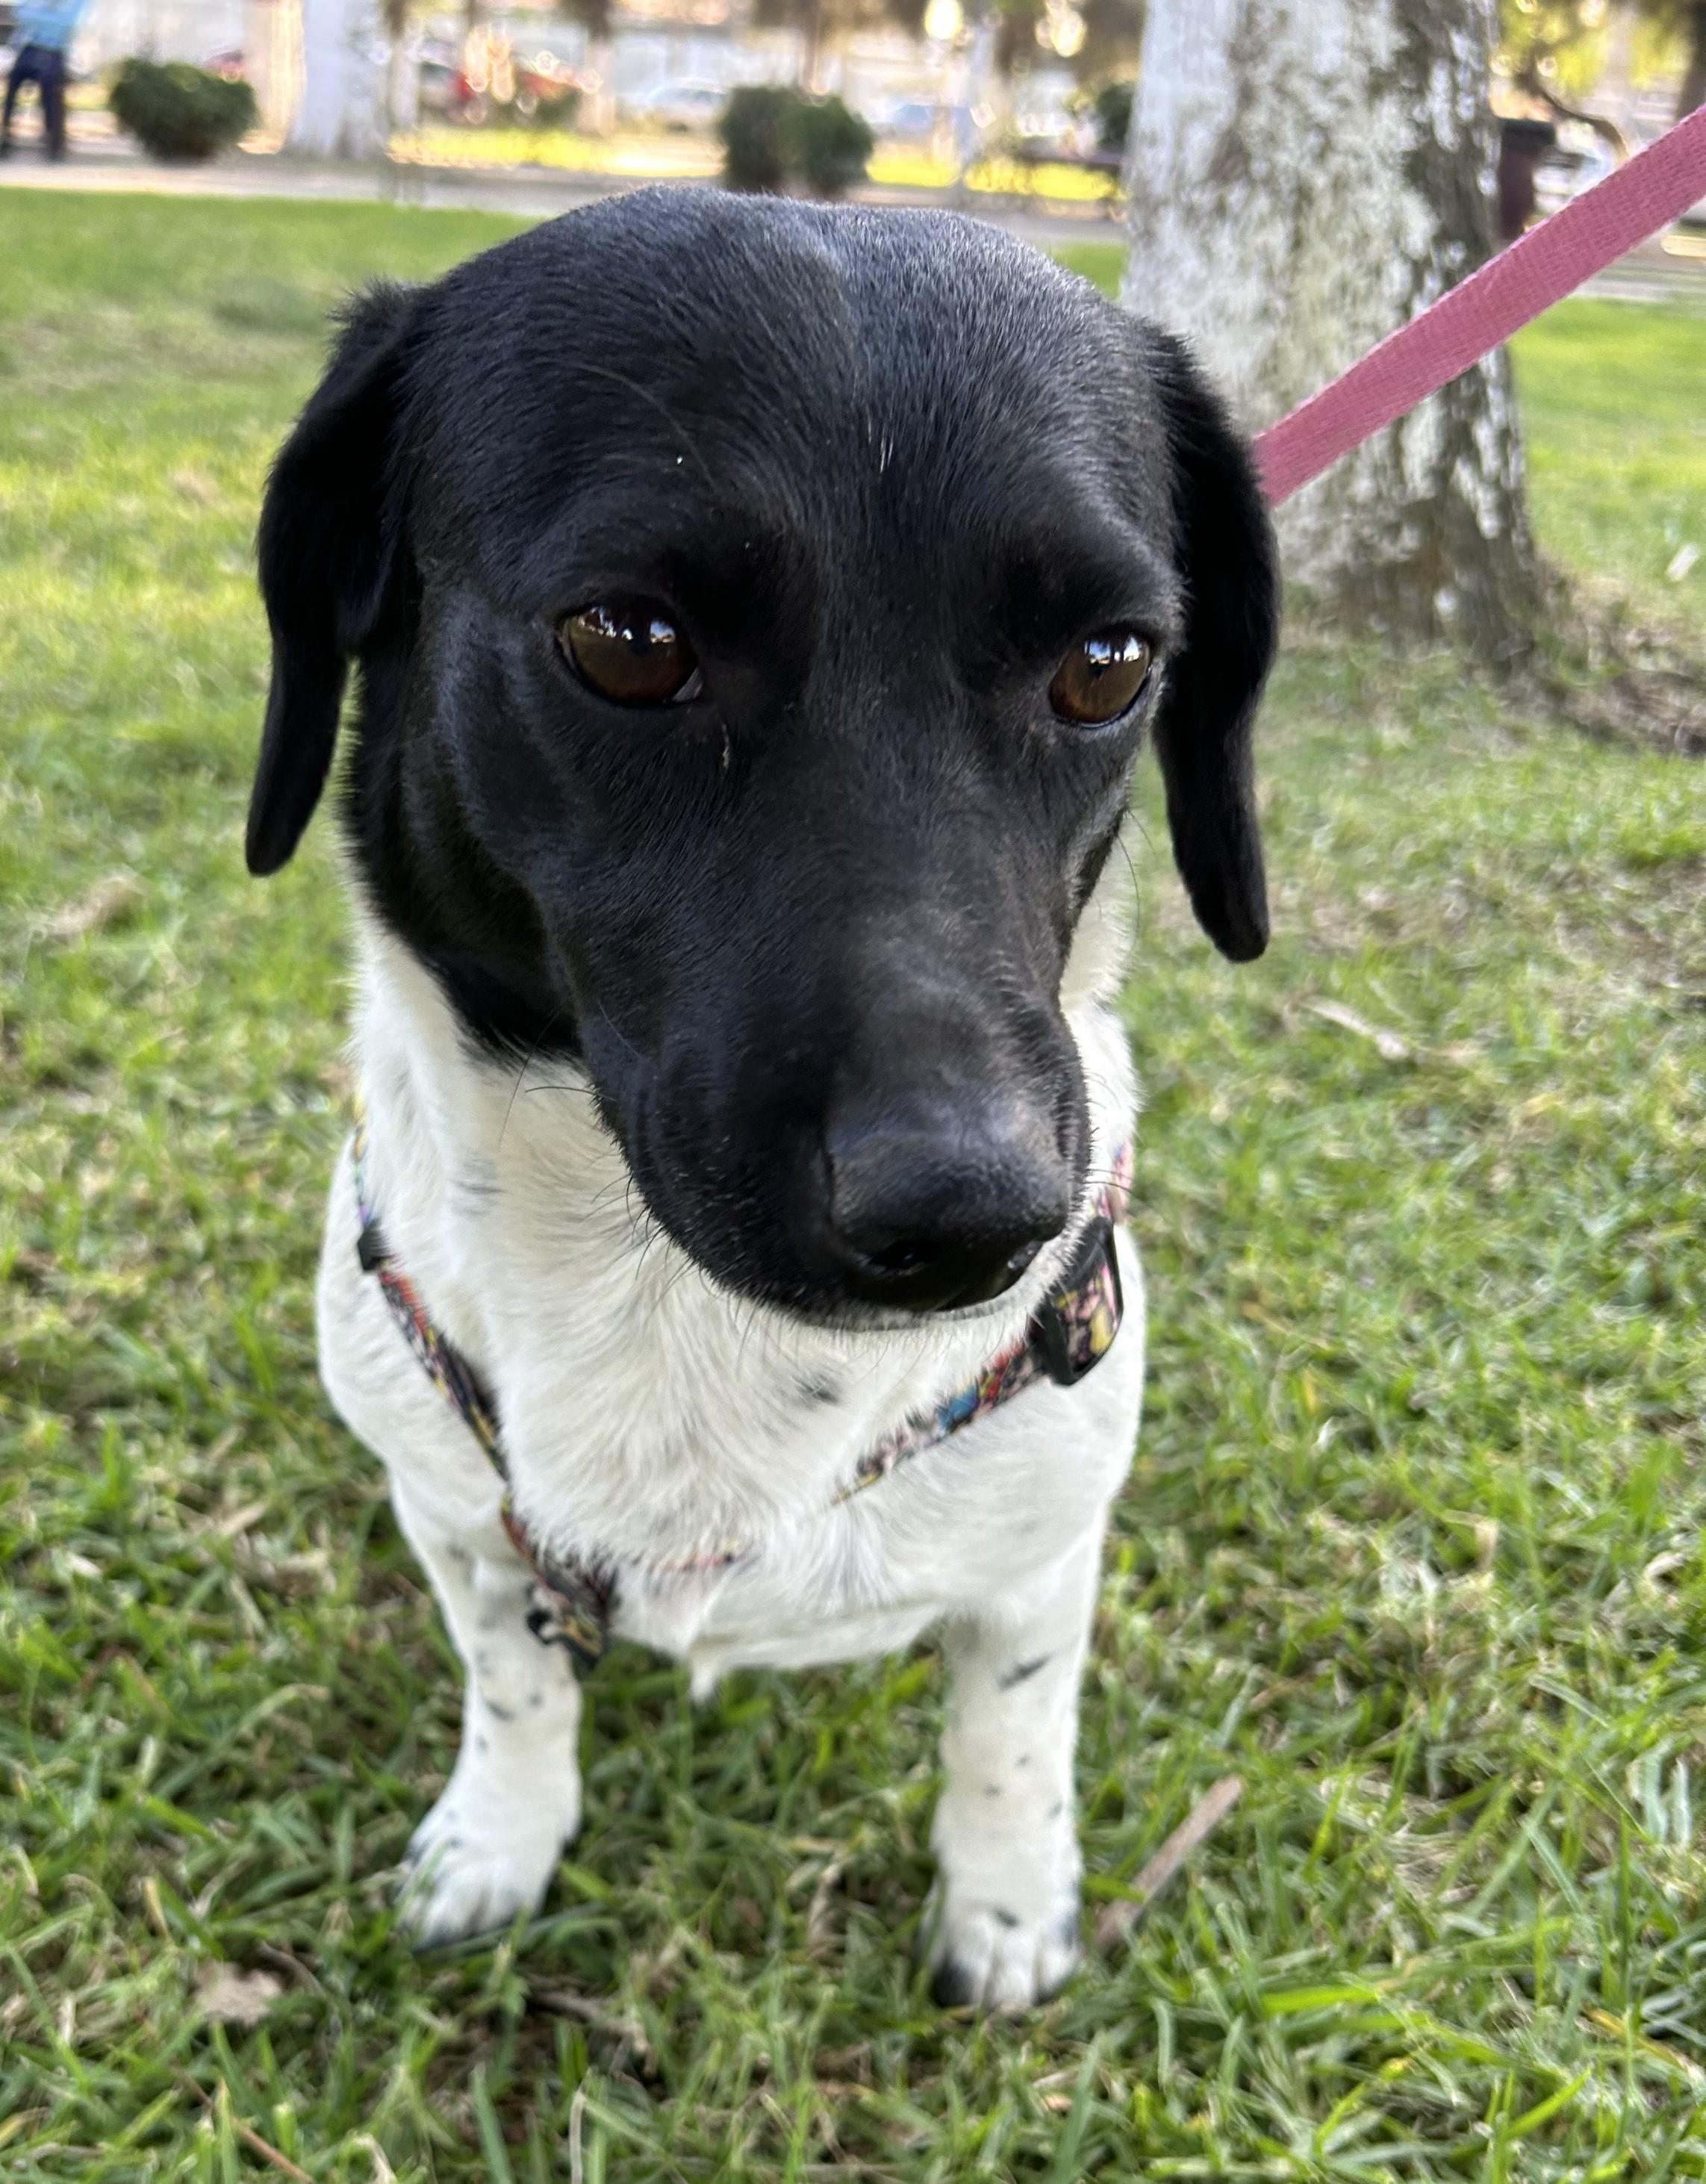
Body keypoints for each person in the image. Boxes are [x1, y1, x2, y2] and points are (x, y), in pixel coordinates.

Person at [1, 0, 90, 161]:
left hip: (55, 53)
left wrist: (39, 17)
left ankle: (54, 143)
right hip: (28, 50)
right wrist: (50, 18)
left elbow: (68, 22)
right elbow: (21, 14)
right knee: (12, 86)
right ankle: (5, 135)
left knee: (52, 89)